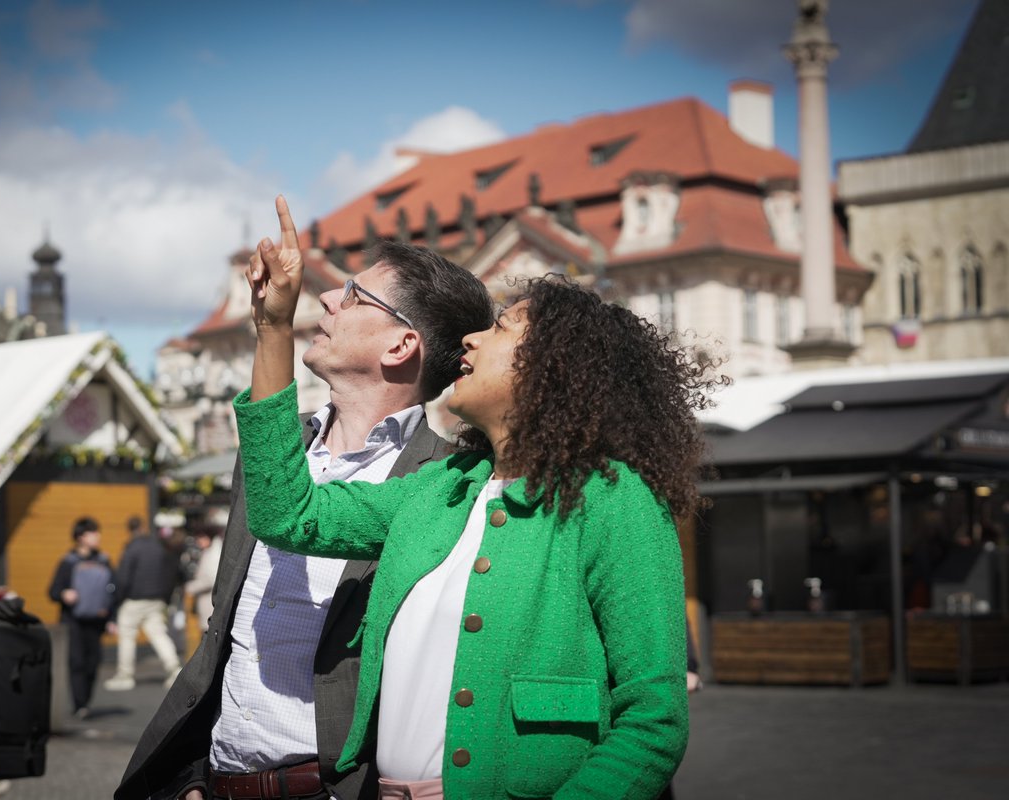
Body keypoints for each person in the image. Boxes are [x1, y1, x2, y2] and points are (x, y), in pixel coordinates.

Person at [228, 197, 714, 798]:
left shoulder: (613, 499)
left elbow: (653, 722)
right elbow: (286, 512)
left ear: (553, 367)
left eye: (502, 327)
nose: (472, 340)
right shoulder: (441, 488)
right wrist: (273, 328)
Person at [116, 196, 495, 800]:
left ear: (400, 346)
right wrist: (190, 778)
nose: (325, 300)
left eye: (353, 296)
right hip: (213, 781)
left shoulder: (449, 482)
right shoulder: (273, 448)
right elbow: (225, 629)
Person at [48, 516, 116, 720]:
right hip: (73, 621)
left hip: (96, 620)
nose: (98, 536)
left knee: (93, 662)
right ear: (80, 537)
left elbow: (113, 592)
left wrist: (112, 618)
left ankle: (84, 700)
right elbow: (53, 591)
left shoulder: (104, 560)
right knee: (76, 661)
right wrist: (64, 594)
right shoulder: (68, 563)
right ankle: (80, 704)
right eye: (92, 533)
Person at [105, 516, 183, 692]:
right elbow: (170, 572)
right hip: (156, 599)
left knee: (127, 635)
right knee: (158, 635)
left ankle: (125, 675)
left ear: (130, 530)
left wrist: (118, 599)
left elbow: (123, 577)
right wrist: (165, 596)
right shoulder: (158, 547)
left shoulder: (132, 548)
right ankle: (174, 668)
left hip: (134, 599)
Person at [183, 526, 223, 633]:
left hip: (210, 602)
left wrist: (191, 587)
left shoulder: (214, 554)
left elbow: (210, 579)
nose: (198, 541)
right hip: (209, 602)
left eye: (200, 538)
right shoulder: (212, 551)